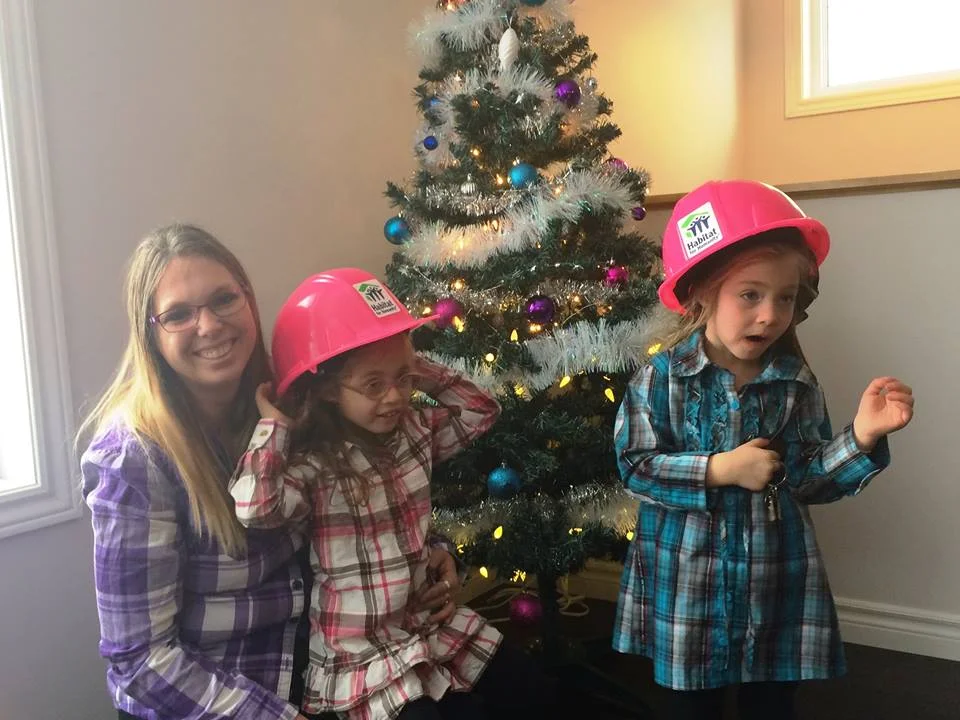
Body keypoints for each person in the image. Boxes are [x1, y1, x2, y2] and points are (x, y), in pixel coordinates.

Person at [79, 226, 462, 720]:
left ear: (249, 301)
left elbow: (370, 490)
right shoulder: (131, 460)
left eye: (223, 299)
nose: (209, 325)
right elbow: (140, 663)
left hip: (324, 666)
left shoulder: (288, 401)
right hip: (214, 698)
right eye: (178, 314)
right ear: (150, 335)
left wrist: (435, 550)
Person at [612, 181, 915, 720]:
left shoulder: (794, 382)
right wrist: (719, 469)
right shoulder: (661, 379)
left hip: (774, 587)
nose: (770, 314)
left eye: (785, 297)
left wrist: (862, 436)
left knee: (772, 705)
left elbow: (808, 478)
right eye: (749, 295)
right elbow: (636, 467)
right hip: (689, 589)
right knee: (691, 708)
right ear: (702, 291)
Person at [229, 269, 558, 720]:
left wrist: (409, 364)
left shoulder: (416, 431)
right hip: (362, 653)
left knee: (531, 688)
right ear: (328, 389)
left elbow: (481, 410)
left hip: (426, 625)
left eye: (403, 380)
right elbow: (255, 507)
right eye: (372, 385)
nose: (394, 397)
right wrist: (275, 426)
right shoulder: (316, 464)